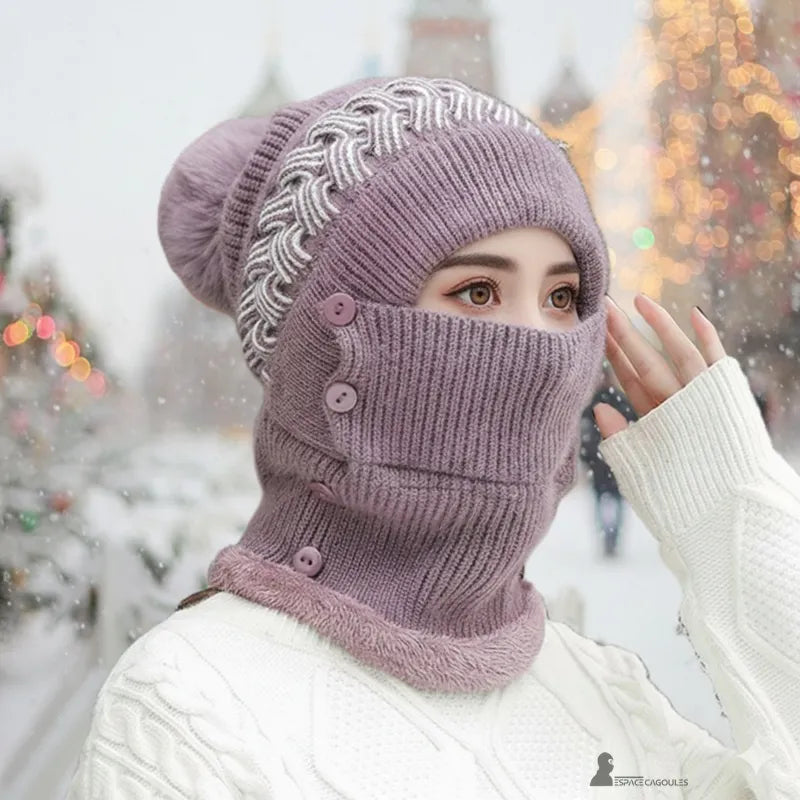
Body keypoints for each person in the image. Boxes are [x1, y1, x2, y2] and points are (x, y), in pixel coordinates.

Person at [67, 76, 799, 799]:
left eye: (562, 298)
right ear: (328, 350)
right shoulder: (189, 706)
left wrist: (732, 504)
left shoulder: (604, 695)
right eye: (477, 292)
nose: (537, 350)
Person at [580, 360, 639, 557]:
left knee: (611, 501)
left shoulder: (600, 401)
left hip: (610, 460)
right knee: (606, 501)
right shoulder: (606, 400)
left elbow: (632, 424)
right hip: (607, 460)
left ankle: (611, 538)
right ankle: (609, 537)